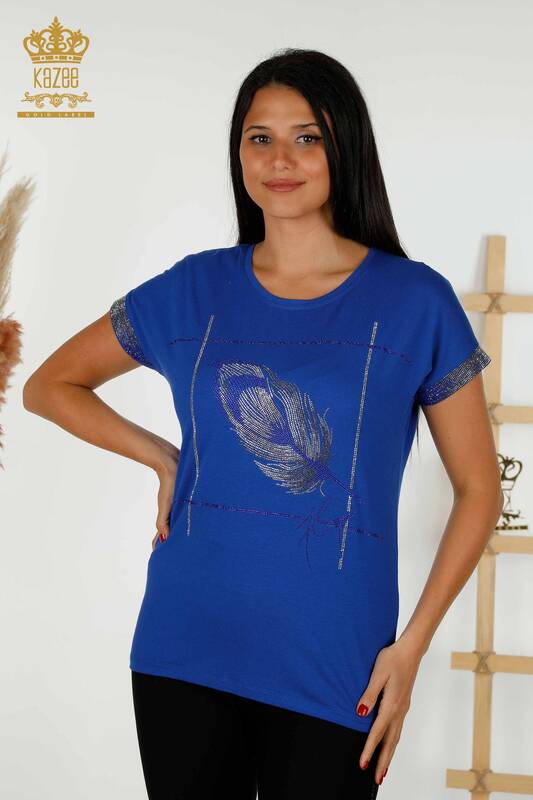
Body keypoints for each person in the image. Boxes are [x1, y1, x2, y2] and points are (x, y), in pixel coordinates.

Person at [23, 48, 503, 800]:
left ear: (344, 147)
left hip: (336, 664)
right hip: (185, 645)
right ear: (238, 152)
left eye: (306, 137)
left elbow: (478, 489)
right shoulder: (193, 288)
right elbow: (50, 385)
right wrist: (162, 457)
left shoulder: (415, 301)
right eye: (259, 137)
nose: (280, 159)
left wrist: (410, 648)